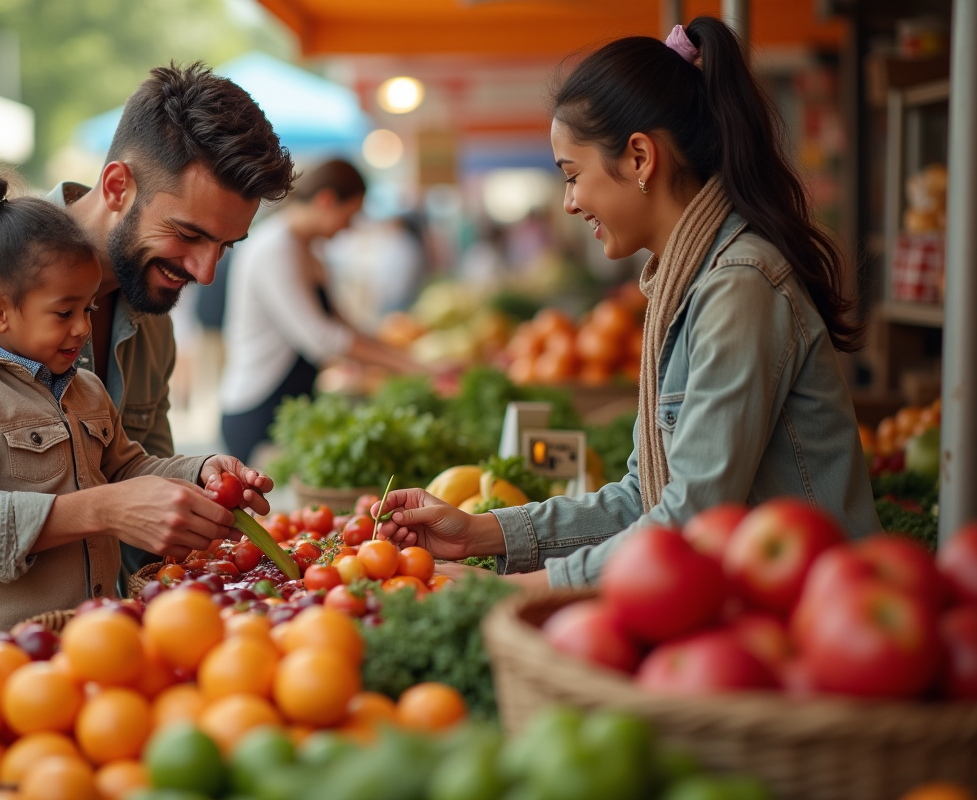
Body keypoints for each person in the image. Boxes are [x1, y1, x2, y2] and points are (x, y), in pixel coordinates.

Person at [0, 62, 296, 711]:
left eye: (226, 246)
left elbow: (130, 468)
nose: (203, 271)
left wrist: (196, 482)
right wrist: (102, 510)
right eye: (190, 235)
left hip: (85, 675)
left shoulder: (152, 311)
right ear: (118, 185)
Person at [375, 18, 880, 589]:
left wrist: (515, 589)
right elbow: (643, 499)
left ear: (639, 157)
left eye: (573, 175)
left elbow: (691, 521)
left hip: (813, 610)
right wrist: (480, 534)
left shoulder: (739, 287)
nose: (569, 202)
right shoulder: (684, 284)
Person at [0, 166, 224, 648]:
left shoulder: (88, 390)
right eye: (63, 312)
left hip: (98, 644)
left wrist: (199, 472)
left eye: (88, 311)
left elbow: (129, 468)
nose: (80, 329)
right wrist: (94, 511)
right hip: (15, 660)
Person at [219, 159, 427, 462]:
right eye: (350, 215)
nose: (349, 227)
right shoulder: (274, 248)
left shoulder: (308, 249)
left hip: (289, 405)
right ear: (327, 200)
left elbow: (345, 325)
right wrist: (414, 369)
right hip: (257, 410)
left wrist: (410, 361)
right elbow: (322, 338)